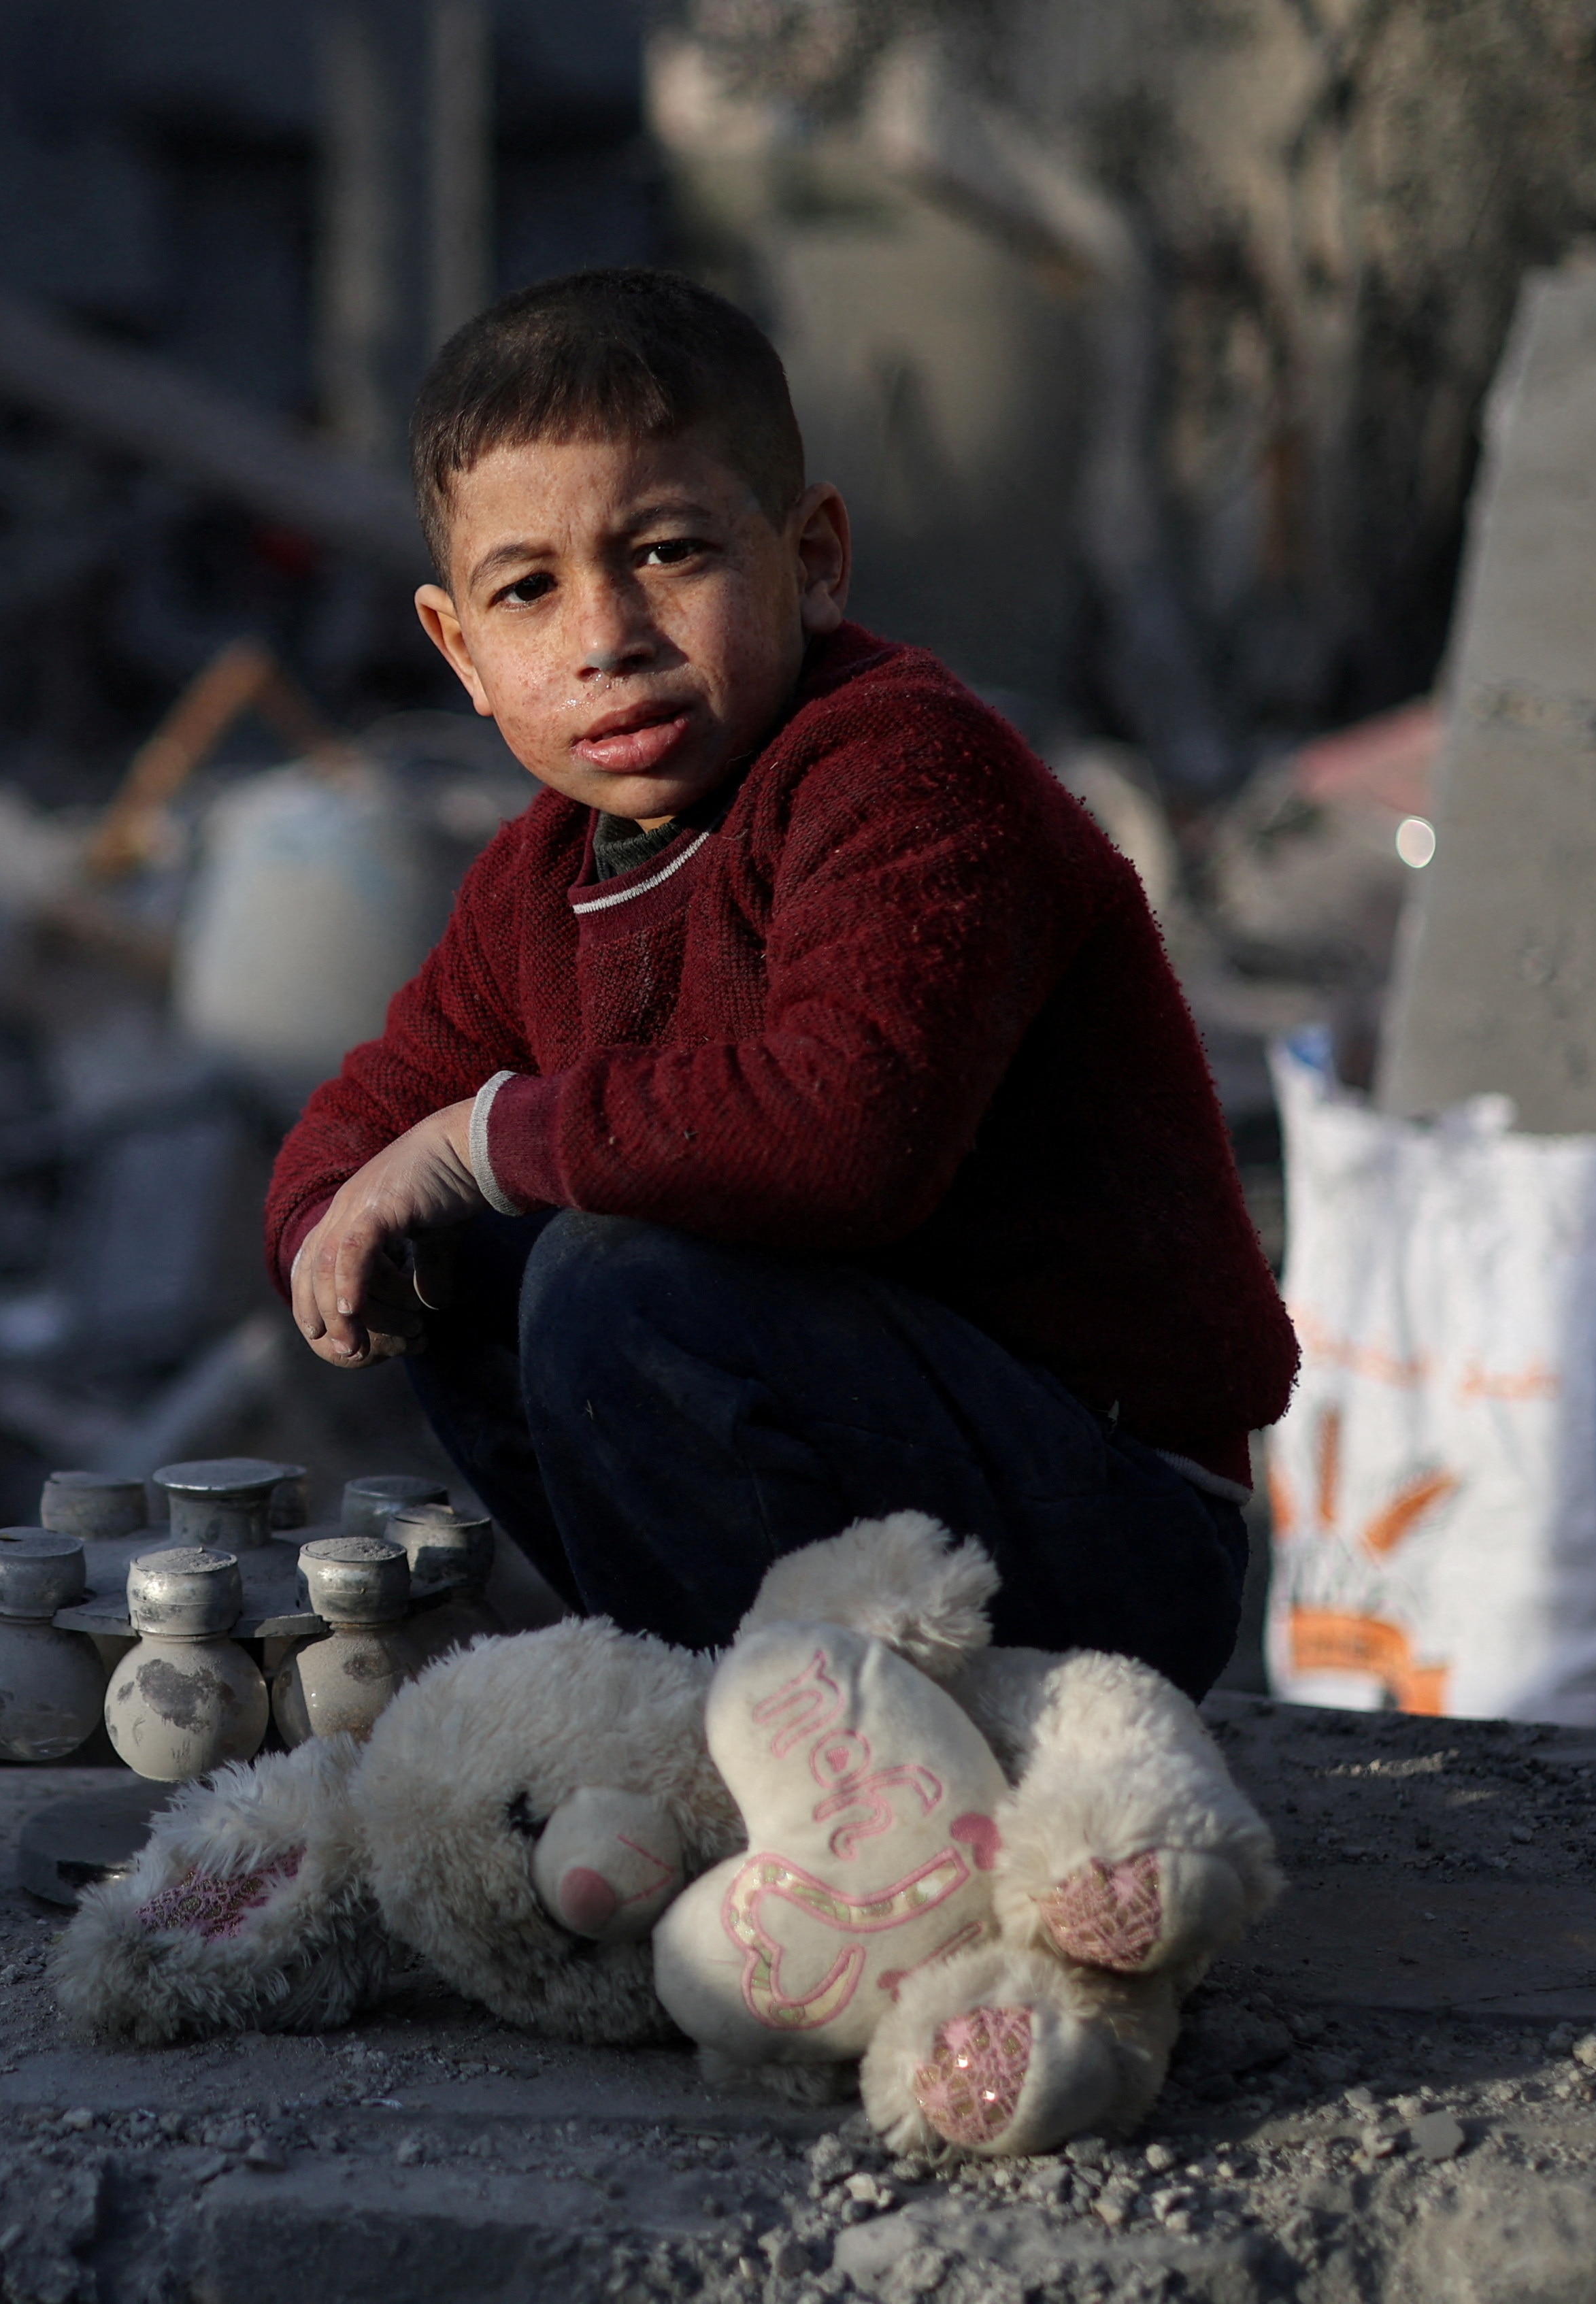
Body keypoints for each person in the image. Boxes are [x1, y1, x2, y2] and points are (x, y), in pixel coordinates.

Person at [268, 268, 1295, 1694]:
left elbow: (845, 1130)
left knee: (604, 1271)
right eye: (528, 590)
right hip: (870, 1481)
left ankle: (802, 1748)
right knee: (450, 1253)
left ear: (812, 558)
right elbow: (379, 1112)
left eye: (670, 552)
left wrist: (474, 1139)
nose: (603, 634)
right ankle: (711, 1709)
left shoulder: (901, 770)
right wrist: (331, 1215)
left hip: (1101, 1520)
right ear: (461, 651)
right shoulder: (541, 876)